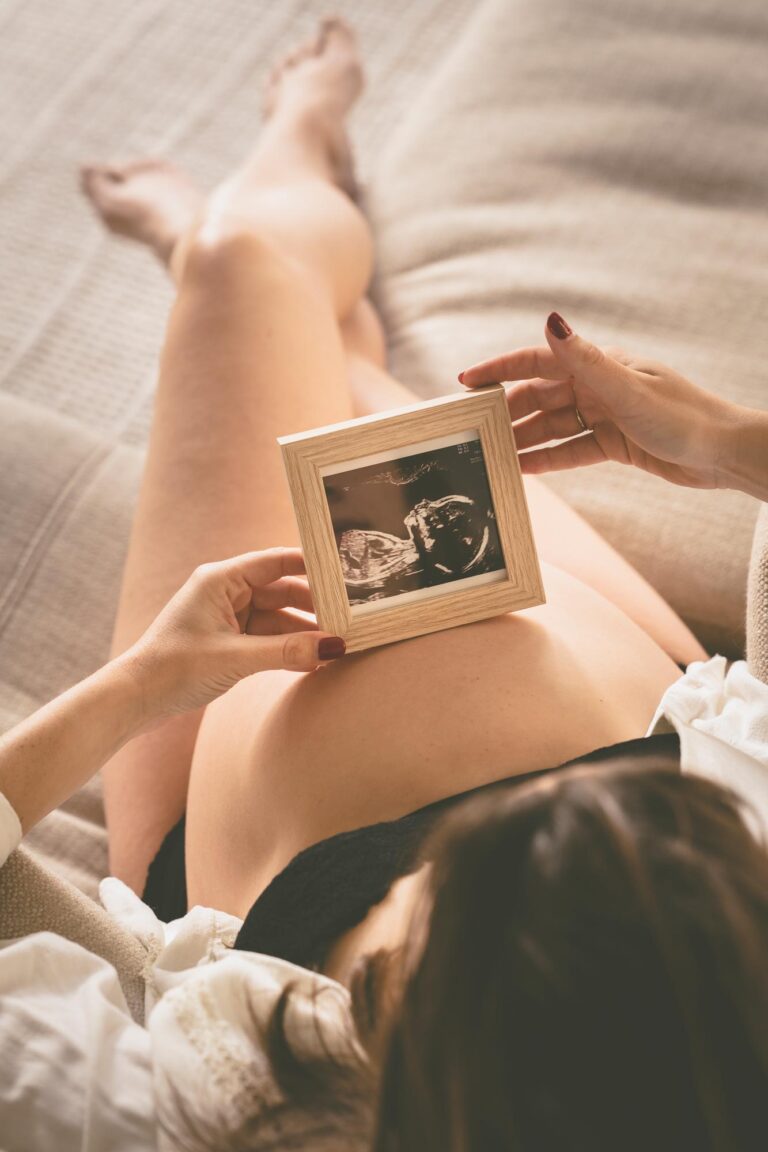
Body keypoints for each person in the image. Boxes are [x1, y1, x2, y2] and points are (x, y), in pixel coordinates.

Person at [0, 18, 766, 1150]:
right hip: (622, 676)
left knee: (239, 263)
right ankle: (307, 317)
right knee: (355, 389)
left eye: (436, 899)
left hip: (207, 737)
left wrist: (140, 686)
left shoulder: (241, 1103)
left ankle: (269, 196)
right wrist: (723, 445)